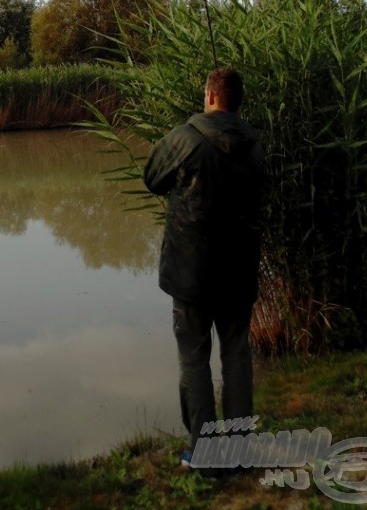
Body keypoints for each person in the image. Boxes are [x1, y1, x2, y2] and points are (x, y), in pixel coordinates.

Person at [143, 66, 264, 471]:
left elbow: (152, 178)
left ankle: (206, 455)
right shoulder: (254, 143)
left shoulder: (184, 138)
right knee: (236, 357)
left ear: (211, 96)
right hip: (239, 271)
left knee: (194, 360)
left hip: (192, 275)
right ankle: (240, 451)